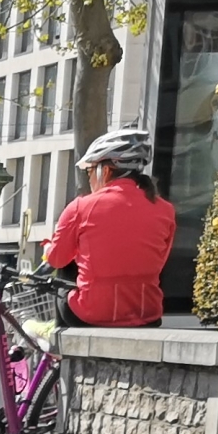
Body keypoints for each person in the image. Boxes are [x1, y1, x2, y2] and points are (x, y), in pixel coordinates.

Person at [44, 126, 176, 328]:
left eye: (90, 170)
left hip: (91, 314)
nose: (89, 178)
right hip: (147, 313)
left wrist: (48, 248)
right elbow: (160, 260)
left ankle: (59, 353)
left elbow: (56, 259)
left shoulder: (80, 206)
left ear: (104, 171)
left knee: (64, 271)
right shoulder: (165, 210)